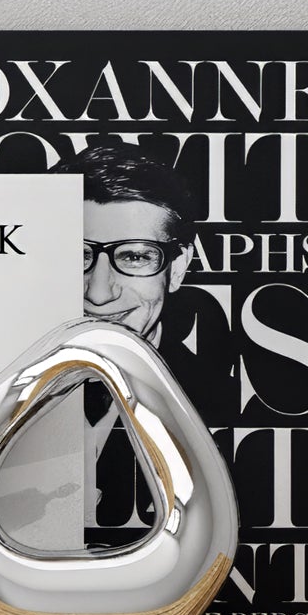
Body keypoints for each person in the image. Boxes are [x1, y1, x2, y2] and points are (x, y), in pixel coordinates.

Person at [48, 142, 201, 546]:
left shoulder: (234, 406)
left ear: (179, 266)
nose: (98, 294)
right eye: (76, 255)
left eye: (133, 257)